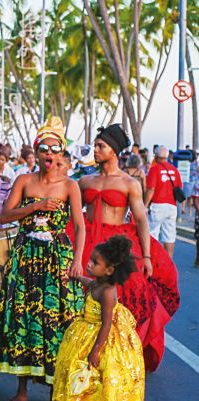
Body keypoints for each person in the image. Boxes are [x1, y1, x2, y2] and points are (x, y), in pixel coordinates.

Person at [0, 116, 85, 400]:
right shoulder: (24, 180)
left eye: (55, 149)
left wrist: (77, 260)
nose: (49, 154)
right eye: (44, 148)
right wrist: (37, 207)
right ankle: (21, 390)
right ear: (36, 152)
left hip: (57, 258)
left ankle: (57, 386)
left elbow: (79, 226)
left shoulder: (70, 186)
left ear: (61, 153)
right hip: (26, 256)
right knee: (24, 315)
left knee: (57, 318)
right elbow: (5, 215)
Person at [78, 125, 179, 371]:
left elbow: (142, 219)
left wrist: (146, 256)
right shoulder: (84, 180)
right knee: (80, 296)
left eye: (101, 146)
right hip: (88, 240)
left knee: (127, 301)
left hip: (116, 246)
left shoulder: (130, 183)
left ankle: (118, 352)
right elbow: (75, 214)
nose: (96, 150)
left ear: (114, 151)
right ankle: (81, 349)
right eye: (96, 145)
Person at [53, 236, 144, 401]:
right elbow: (89, 283)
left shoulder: (108, 293)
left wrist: (95, 351)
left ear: (109, 270)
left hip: (99, 337)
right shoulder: (98, 282)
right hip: (85, 330)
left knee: (95, 376)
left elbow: (106, 325)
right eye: (90, 260)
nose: (89, 264)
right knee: (74, 368)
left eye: (95, 263)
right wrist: (77, 277)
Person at [145, 145, 183, 257]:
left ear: (156, 156)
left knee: (152, 234)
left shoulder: (154, 169)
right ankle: (168, 262)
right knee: (169, 236)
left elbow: (151, 188)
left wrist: (145, 205)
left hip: (158, 205)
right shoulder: (174, 170)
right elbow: (179, 187)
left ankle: (154, 261)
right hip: (172, 206)